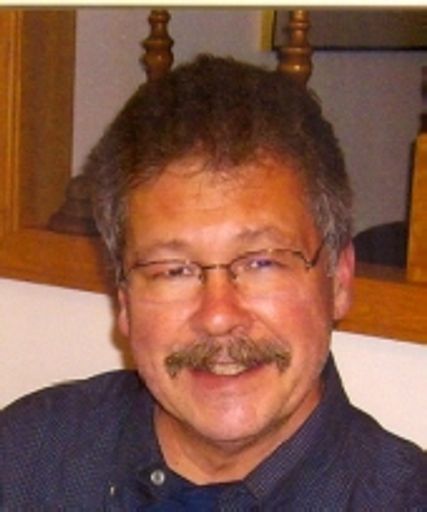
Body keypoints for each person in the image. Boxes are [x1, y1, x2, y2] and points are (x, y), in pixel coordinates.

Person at [1, 55, 425, 510]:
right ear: (124, 300)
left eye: (262, 262)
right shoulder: (26, 460)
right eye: (173, 270)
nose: (218, 316)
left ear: (338, 279)